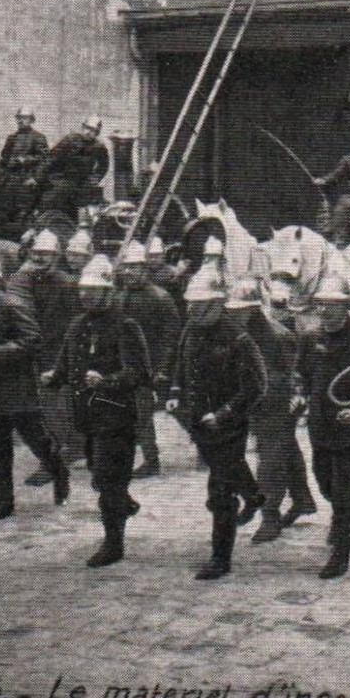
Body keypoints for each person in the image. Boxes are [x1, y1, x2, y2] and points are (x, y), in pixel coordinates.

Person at [42, 255, 150, 567]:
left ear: (108, 292)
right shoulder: (77, 324)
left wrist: (108, 381)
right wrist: (55, 376)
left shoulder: (125, 326)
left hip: (116, 416)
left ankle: (113, 544)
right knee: (102, 477)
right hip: (87, 417)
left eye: (94, 290)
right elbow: (67, 362)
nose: (86, 295)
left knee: (107, 479)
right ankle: (122, 503)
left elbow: (140, 372)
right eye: (83, 290)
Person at [166, 267, 268, 580]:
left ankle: (220, 558)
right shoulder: (191, 331)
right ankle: (253, 496)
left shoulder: (238, 339)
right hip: (197, 420)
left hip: (229, 425)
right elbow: (180, 365)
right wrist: (174, 392)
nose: (193, 311)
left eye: (200, 306)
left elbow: (255, 387)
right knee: (228, 468)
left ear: (217, 305)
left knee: (221, 490)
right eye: (191, 305)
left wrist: (224, 414)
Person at [0, 244, 69, 522]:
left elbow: (32, 340)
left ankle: (59, 471)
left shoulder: (10, 305)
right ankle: (5, 500)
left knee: (37, 441)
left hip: (17, 389)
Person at [292, 274, 350, 578]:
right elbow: (302, 375)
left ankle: (341, 551)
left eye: (333, 305)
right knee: (325, 482)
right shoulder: (311, 338)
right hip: (320, 426)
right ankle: (349, 515)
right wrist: (298, 396)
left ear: (346, 307)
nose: (325, 310)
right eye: (321, 304)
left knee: (343, 491)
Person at [225, 276, 315, 542]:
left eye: (241, 310)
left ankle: (270, 517)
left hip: (277, 403)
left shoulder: (277, 336)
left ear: (254, 308)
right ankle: (302, 499)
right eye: (233, 310)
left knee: (270, 460)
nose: (236, 315)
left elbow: (291, 375)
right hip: (252, 402)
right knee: (285, 449)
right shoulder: (235, 333)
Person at [9, 229, 81, 486]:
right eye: (37, 253)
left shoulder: (67, 283)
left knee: (54, 409)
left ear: (57, 255)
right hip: (38, 352)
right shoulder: (29, 280)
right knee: (50, 407)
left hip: (59, 353)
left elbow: (76, 322)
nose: (40, 258)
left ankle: (53, 463)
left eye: (46, 254)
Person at [115, 241, 182, 480]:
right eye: (127, 268)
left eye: (135, 268)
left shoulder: (161, 297)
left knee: (181, 409)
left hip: (159, 364)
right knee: (140, 413)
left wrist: (163, 368)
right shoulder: (120, 296)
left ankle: (206, 444)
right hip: (134, 366)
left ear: (145, 270)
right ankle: (151, 460)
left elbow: (171, 337)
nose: (130, 272)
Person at [0, 106, 49, 229]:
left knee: (20, 191)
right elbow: (5, 156)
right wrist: (0, 161)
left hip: (28, 174)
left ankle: (20, 221)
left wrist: (25, 160)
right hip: (10, 175)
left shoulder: (38, 137)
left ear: (31, 120)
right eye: (19, 118)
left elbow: (44, 157)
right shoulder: (12, 138)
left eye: (25, 118)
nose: (21, 121)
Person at [41, 116, 110, 221]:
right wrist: (48, 177)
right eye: (87, 128)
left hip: (83, 183)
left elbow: (104, 165)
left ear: (97, 133)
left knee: (83, 210)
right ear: (83, 127)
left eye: (93, 131)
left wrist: (94, 179)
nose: (89, 132)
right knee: (50, 202)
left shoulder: (99, 147)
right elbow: (52, 158)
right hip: (64, 179)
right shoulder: (70, 139)